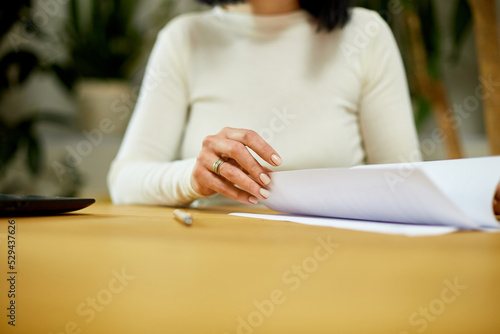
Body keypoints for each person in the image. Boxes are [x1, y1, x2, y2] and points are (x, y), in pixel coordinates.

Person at [107, 0, 500, 215]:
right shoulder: (186, 38)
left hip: (339, 265)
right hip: (209, 262)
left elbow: (403, 182)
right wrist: (194, 177)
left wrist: (475, 195)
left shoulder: (365, 35)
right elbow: (124, 181)